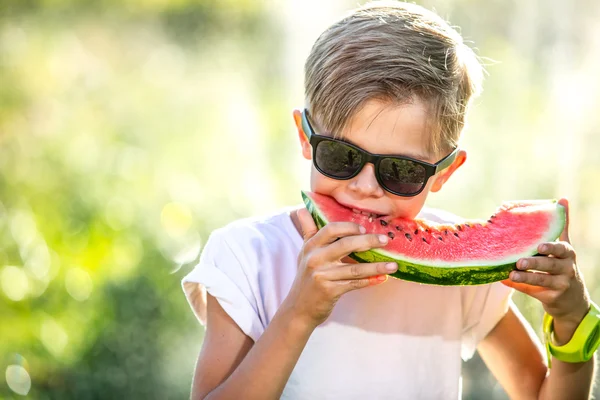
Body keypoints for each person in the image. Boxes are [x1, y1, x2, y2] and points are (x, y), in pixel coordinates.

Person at [182, 1, 596, 398]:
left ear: (444, 173)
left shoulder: (463, 281)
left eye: (401, 171)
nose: (364, 187)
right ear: (305, 138)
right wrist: (298, 313)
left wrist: (572, 320)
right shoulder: (244, 258)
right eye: (341, 156)